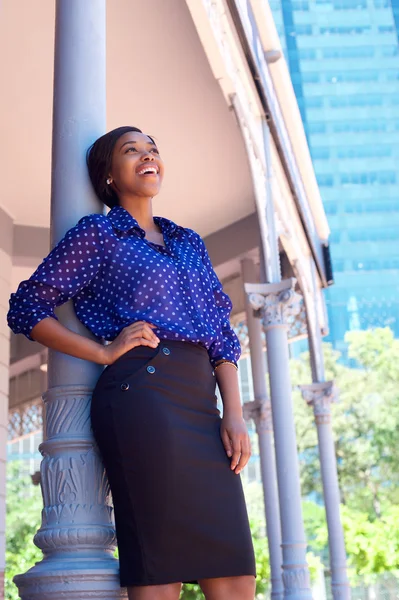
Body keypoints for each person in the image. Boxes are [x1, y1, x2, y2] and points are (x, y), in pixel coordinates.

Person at [7, 126, 256, 600]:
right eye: (131, 150)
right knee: (159, 564)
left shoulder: (188, 241)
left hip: (202, 404)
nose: (148, 156)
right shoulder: (98, 234)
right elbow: (26, 308)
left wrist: (235, 414)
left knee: (235, 572)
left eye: (153, 149)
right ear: (108, 175)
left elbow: (222, 336)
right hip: (142, 394)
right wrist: (102, 352)